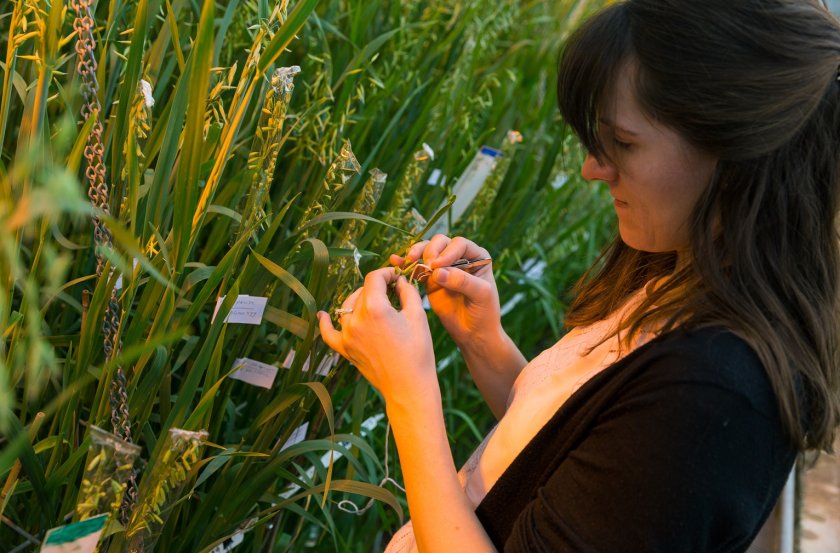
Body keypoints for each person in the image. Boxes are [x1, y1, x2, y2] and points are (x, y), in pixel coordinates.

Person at [316, 0, 840, 550]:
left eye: (625, 143)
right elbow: (580, 463)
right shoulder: (679, 270)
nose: (593, 167)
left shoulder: (712, 397)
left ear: (738, 153)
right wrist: (483, 341)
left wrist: (410, 394)